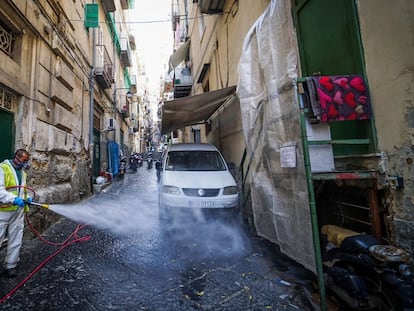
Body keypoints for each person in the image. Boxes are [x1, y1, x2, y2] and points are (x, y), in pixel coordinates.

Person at [0, 149, 32, 277]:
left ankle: (11, 265)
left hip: (17, 211)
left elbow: (22, 190)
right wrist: (14, 199)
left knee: (16, 238)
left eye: (27, 161)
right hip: (3, 211)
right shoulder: (3, 169)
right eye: (24, 161)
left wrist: (27, 197)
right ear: (16, 158)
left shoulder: (23, 173)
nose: (25, 164)